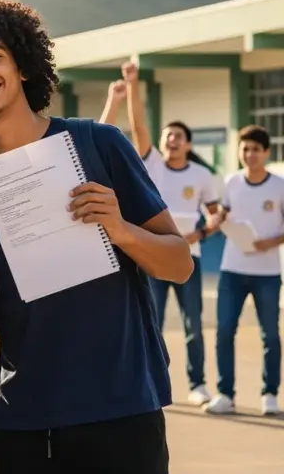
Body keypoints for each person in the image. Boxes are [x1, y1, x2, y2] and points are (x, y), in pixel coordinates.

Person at [0, 0, 193, 473]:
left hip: (121, 408)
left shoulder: (98, 144)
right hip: (26, 421)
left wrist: (120, 229)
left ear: (22, 66)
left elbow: (180, 264)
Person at [101, 61, 223, 405]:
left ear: (187, 144)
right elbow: (138, 123)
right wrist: (132, 84)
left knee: (192, 325)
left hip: (189, 259)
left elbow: (214, 218)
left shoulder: (201, 175)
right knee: (149, 324)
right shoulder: (150, 161)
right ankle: (152, 382)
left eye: (178, 136)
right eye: (167, 135)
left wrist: (196, 236)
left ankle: (197, 384)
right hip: (149, 256)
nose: (171, 139)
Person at [204, 125, 282, 416]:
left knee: (270, 335)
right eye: (244, 149)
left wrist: (271, 241)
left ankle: (270, 393)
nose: (249, 154)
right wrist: (219, 218)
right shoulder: (231, 182)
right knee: (224, 331)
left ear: (266, 153)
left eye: (255, 150)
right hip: (232, 270)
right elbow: (221, 214)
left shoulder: (279, 186)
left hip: (268, 273)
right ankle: (225, 394)